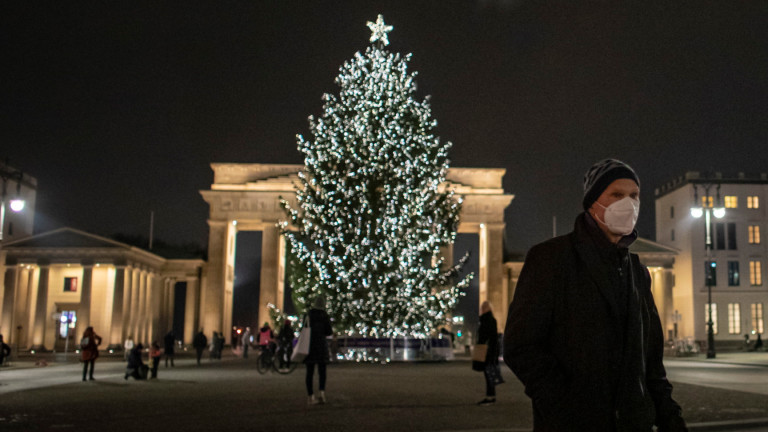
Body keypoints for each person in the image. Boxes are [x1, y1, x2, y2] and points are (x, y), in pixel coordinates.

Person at [504, 159, 688, 431]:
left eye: (634, 196)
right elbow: (521, 345)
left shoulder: (638, 273)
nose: (628, 203)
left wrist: (670, 419)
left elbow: (651, 362)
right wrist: (563, 406)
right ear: (593, 202)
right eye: (616, 194)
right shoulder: (551, 259)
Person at [305, 295, 333, 405]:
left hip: (309, 346)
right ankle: (322, 393)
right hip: (321, 346)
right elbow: (329, 332)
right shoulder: (324, 315)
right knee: (322, 372)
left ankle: (310, 396)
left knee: (309, 373)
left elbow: (303, 329)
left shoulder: (308, 315)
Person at [477, 301, 499, 406]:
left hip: (486, 350)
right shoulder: (493, 320)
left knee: (488, 374)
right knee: (490, 374)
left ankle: (489, 397)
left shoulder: (485, 320)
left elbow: (483, 336)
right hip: (491, 350)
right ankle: (491, 396)